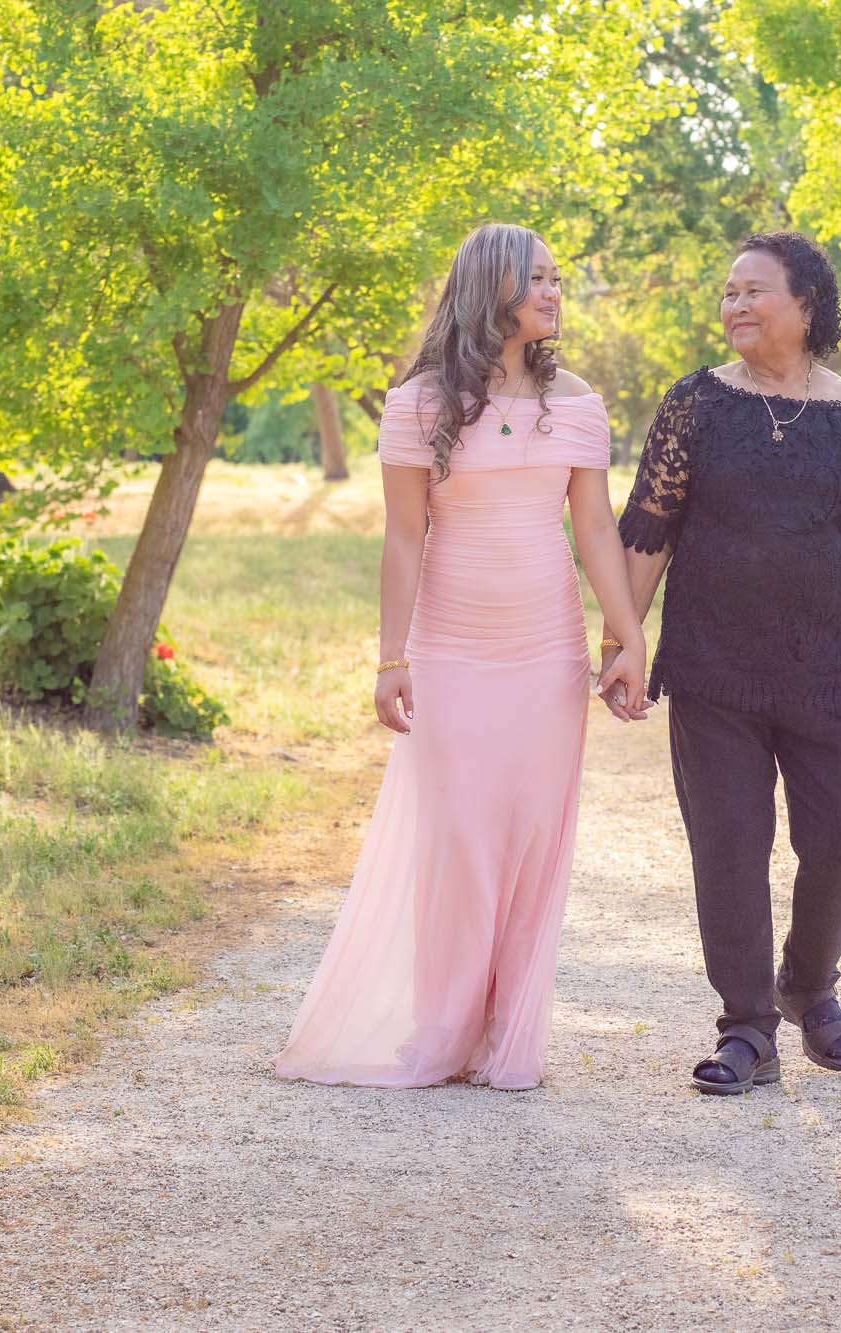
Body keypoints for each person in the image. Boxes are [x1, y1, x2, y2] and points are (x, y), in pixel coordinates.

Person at [274, 222, 649, 1092]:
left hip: (546, 649)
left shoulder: (578, 403)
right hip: (450, 649)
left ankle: (510, 1034)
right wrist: (391, 658)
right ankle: (443, 1030)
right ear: (492, 288)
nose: (555, 292)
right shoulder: (416, 404)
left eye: (558, 278)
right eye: (538, 279)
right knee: (460, 839)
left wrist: (627, 632)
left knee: (532, 836)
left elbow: (595, 528)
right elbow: (404, 536)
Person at [609, 230, 841, 1095]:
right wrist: (621, 641)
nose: (736, 304)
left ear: (806, 303)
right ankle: (748, 1026)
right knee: (729, 844)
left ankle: (808, 984)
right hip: (713, 664)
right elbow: (648, 528)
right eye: (729, 292)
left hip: (828, 668)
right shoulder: (696, 403)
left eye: (754, 290)